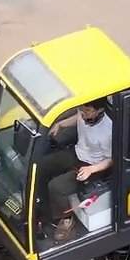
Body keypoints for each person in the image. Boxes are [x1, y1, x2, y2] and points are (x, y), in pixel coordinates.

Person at [38, 98, 113, 242]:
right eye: (82, 109)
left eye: (87, 111)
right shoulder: (84, 114)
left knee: (56, 187)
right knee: (42, 165)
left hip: (91, 166)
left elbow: (111, 159)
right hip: (77, 153)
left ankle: (66, 218)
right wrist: (60, 124)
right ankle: (40, 201)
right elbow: (76, 118)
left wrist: (91, 169)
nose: (83, 114)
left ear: (99, 110)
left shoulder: (107, 131)